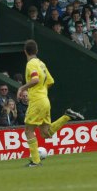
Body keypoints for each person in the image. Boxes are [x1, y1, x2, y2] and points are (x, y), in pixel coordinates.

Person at [17, 39, 84, 167]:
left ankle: (36, 161)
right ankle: (67, 116)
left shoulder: (30, 64)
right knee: (45, 133)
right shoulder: (41, 63)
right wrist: (42, 91)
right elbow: (51, 81)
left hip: (37, 100)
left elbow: (35, 79)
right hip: (45, 100)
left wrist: (22, 88)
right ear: (36, 51)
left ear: (25, 51)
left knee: (28, 130)